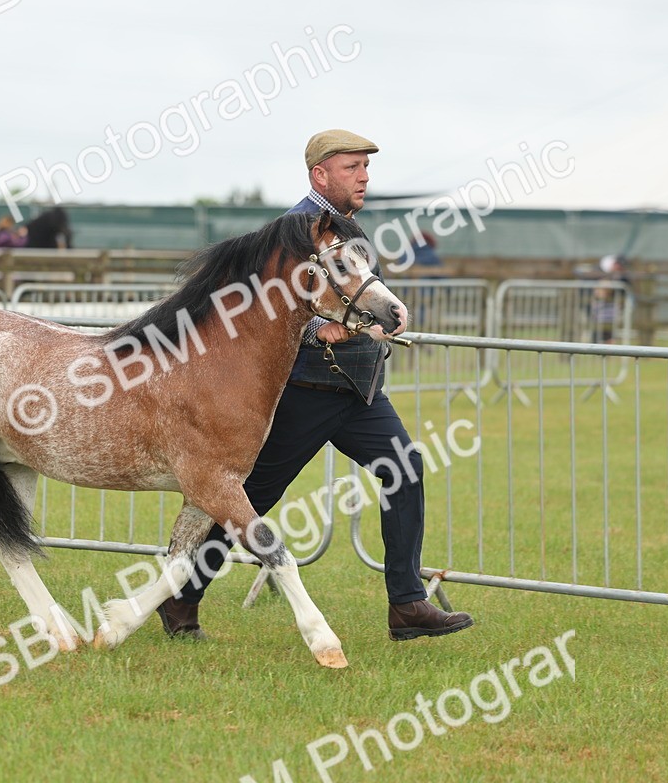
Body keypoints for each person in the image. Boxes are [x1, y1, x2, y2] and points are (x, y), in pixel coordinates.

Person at [157, 129, 474, 642]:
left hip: (358, 390)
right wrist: (314, 327)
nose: (364, 177)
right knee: (250, 495)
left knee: (405, 470)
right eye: (352, 167)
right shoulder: (292, 230)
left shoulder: (345, 228)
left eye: (366, 168)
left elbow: (349, 292)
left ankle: (407, 604)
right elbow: (266, 303)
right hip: (307, 389)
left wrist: (378, 316)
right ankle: (180, 599)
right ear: (319, 175)